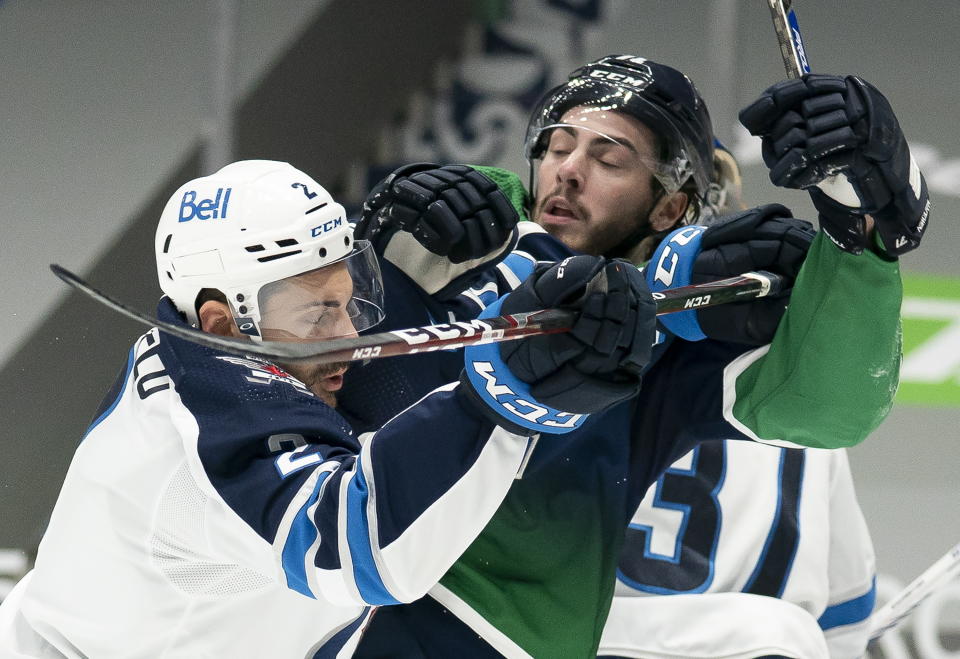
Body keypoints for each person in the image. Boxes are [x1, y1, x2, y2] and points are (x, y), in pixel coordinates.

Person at [348, 56, 927, 658]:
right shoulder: (437, 241)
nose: (569, 171)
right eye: (556, 147)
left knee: (771, 637)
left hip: (479, 635)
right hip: (340, 595)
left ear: (670, 211)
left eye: (609, 159)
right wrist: (377, 249)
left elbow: (830, 406)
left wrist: (858, 242)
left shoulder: (664, 346)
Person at [0, 160, 656, 658]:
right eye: (319, 313)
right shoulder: (204, 423)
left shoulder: (233, 351)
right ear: (222, 321)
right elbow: (360, 548)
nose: (352, 335)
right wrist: (504, 396)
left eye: (354, 296)